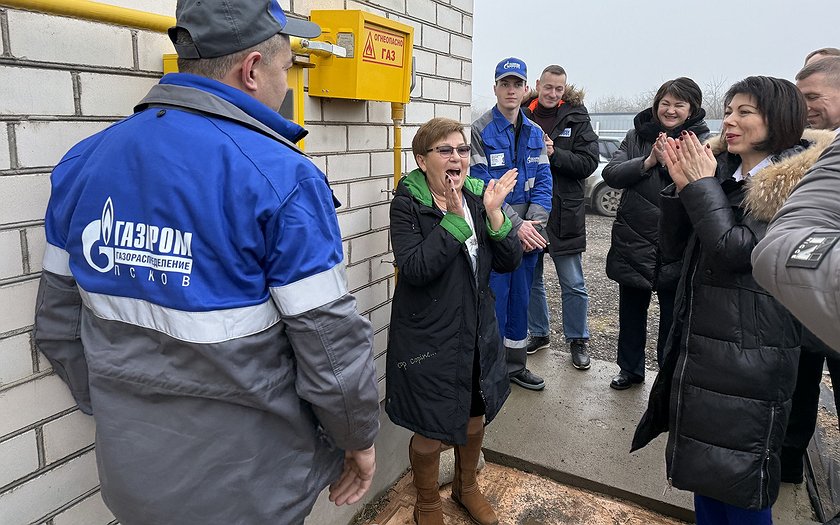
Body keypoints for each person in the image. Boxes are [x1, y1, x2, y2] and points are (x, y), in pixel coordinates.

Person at [32, 2, 380, 524]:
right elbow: (329, 343)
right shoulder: (281, 179)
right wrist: (358, 438)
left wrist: (122, 414)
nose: (286, 86)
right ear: (254, 68)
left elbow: (57, 328)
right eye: (287, 69)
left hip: (134, 482)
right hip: (251, 488)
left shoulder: (85, 162)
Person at [632, 76, 834, 524]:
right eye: (729, 110)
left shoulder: (795, 183)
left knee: (740, 482)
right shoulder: (726, 171)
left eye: (746, 112)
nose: (731, 121)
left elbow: (736, 251)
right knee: (705, 475)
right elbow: (676, 247)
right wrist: (682, 184)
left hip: (752, 351)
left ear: (778, 118)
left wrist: (698, 186)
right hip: (706, 343)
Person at [386, 117, 522, 525]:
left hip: (477, 330)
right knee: (429, 426)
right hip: (429, 336)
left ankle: (466, 487)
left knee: (474, 412)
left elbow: (510, 260)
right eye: (445, 150)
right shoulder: (408, 204)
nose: (456, 158)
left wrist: (496, 217)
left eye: (462, 150)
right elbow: (414, 268)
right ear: (422, 159)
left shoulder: (481, 199)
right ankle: (426, 502)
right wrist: (454, 219)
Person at [754, 55, 840, 484]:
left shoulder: (815, 161)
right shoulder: (798, 155)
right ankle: (788, 464)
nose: (805, 106)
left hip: (819, 293)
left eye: (813, 96)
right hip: (802, 304)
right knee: (799, 386)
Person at [602, 78, 710, 390]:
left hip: (675, 243)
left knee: (672, 320)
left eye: (679, 104)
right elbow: (612, 173)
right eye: (666, 103)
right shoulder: (637, 135)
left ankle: (667, 377)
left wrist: (672, 163)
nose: (671, 110)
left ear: (691, 110)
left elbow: (702, 187)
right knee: (631, 315)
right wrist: (649, 160)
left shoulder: (701, 140)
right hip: (634, 238)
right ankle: (630, 369)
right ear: (656, 104)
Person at [471, 57, 553, 391]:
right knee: (494, 299)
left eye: (517, 84)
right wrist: (514, 225)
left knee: (520, 299)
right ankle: (489, 370)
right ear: (495, 88)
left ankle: (515, 367)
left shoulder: (535, 133)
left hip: (529, 233)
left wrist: (532, 225)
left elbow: (545, 181)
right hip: (496, 227)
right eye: (504, 84)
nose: (510, 90)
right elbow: (480, 183)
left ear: (525, 89)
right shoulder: (479, 131)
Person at [522, 65, 599, 370]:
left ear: (564, 90)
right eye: (548, 87)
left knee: (574, 282)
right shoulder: (523, 115)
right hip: (532, 212)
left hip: (565, 213)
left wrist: (555, 154)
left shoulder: (577, 117)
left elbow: (588, 162)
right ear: (538, 85)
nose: (553, 94)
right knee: (532, 280)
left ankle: (578, 339)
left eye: (559, 89)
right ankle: (539, 333)